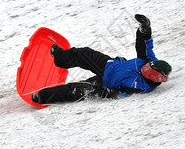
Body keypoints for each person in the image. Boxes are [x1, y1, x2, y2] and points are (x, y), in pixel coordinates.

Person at [32, 14, 172, 104]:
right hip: (108, 65)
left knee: (76, 90)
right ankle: (60, 57)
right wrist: (145, 28)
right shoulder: (149, 60)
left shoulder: (142, 87)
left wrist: (103, 92)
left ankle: (41, 97)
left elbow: (121, 94)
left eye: (147, 70)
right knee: (83, 53)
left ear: (153, 77)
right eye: (147, 65)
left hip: (105, 83)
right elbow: (145, 44)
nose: (145, 67)